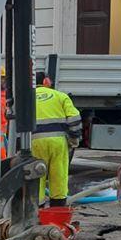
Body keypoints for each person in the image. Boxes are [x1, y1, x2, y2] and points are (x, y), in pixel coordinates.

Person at [33, 72, 82, 206]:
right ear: (46, 81)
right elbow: (74, 118)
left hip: (34, 141)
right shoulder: (61, 96)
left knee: (37, 173)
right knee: (59, 173)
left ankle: (38, 209)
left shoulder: (27, 98)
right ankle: (58, 206)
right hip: (58, 141)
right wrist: (74, 137)